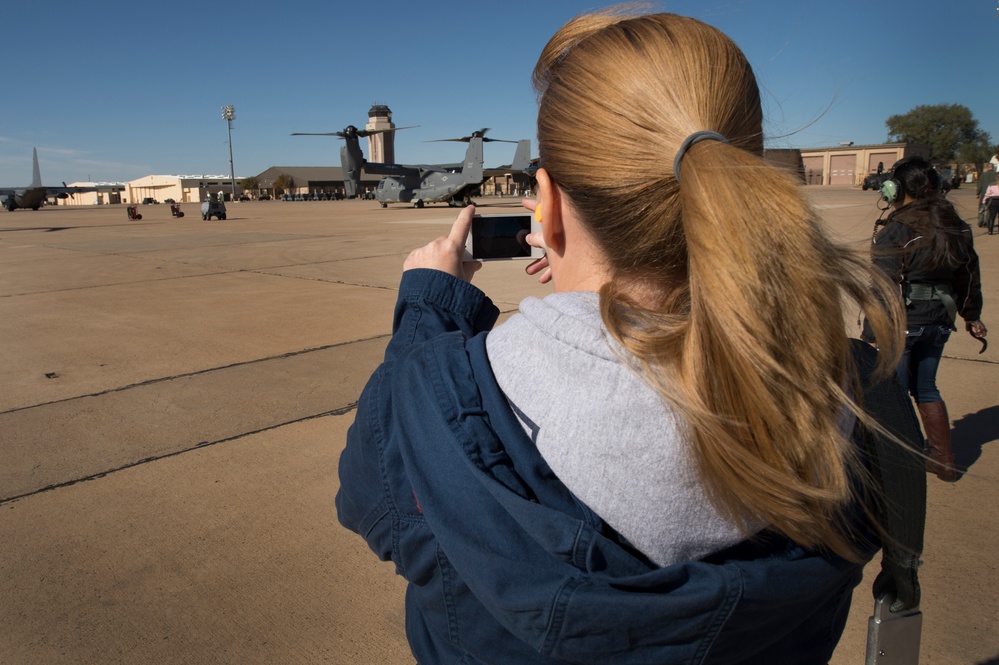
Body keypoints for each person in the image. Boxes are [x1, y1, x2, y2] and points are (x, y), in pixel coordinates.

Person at [336, 8, 919, 663]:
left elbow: (370, 500)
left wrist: (430, 304)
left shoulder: (435, 389)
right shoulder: (856, 394)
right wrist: (582, 259)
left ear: (547, 202)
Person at [863, 156, 986, 481]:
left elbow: (883, 286)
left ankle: (901, 465)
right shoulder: (955, 226)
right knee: (927, 388)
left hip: (904, 323)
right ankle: (943, 460)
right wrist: (972, 315)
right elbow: (969, 276)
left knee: (895, 393)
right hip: (939, 323)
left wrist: (872, 332)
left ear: (896, 189)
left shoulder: (896, 230)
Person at [976, 163, 996, 228]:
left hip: (984, 193)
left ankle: (980, 221)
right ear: (993, 167)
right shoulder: (996, 175)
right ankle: (988, 222)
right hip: (993, 194)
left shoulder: (983, 175)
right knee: (990, 208)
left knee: (981, 206)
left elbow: (980, 185)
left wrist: (978, 193)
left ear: (987, 168)